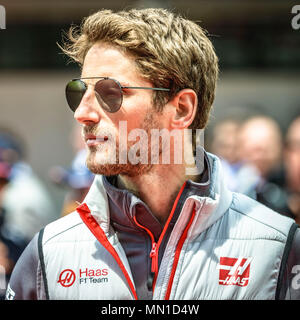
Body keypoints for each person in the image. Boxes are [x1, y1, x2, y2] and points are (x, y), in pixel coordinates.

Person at [6, 8, 300, 300]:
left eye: (110, 92)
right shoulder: (48, 254)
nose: (82, 113)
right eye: (78, 91)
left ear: (182, 108)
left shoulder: (277, 248)